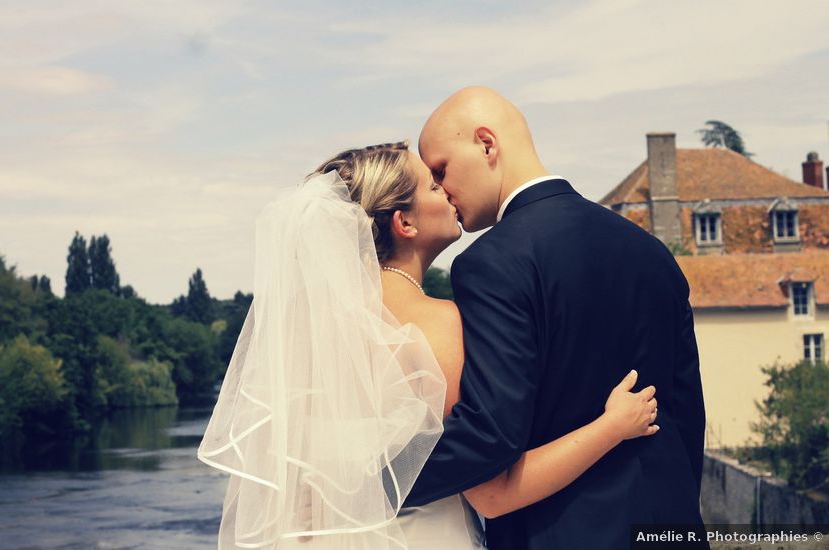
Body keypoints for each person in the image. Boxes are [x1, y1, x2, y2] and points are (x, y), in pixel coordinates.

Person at [198, 139, 661, 549]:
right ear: (405, 222)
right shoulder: (444, 326)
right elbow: (494, 495)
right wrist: (612, 427)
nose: (448, 190)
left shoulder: (304, 342)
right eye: (433, 185)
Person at [404, 87, 708, 550]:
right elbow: (686, 413)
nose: (441, 189)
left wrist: (376, 486)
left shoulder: (492, 262)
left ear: (487, 145)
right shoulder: (650, 250)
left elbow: (490, 435)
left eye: (441, 169)